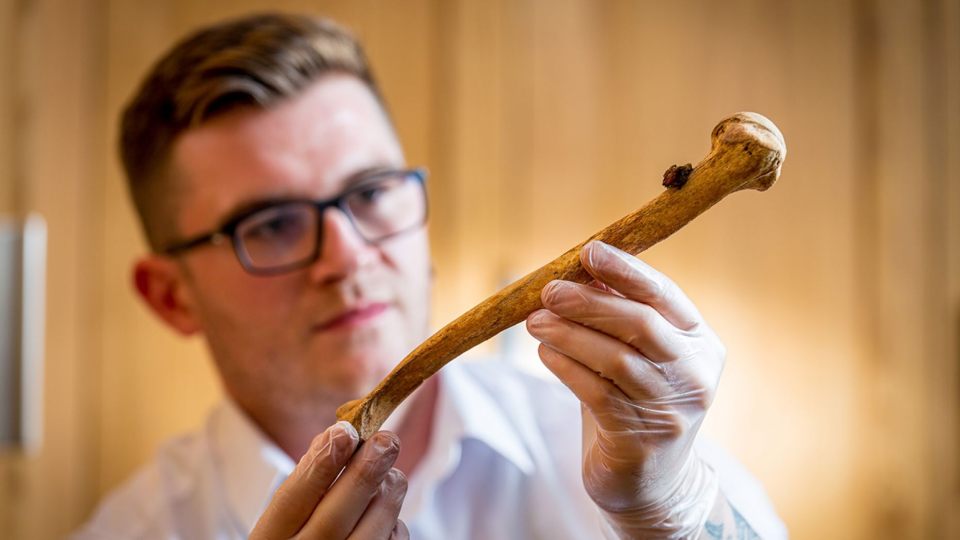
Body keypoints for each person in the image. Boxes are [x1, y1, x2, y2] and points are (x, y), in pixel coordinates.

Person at [74, 12, 786, 539]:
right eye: (272, 224)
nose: (348, 254)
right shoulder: (132, 530)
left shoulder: (624, 446)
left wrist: (676, 513)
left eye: (371, 192)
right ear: (171, 298)